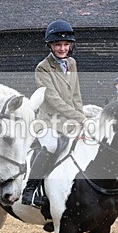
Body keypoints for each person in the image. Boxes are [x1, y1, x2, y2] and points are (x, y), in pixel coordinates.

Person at [21, 19, 86, 208]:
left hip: (70, 120)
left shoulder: (71, 63)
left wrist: (81, 119)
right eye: (58, 45)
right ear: (50, 45)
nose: (62, 48)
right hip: (49, 121)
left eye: (66, 44)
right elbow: (53, 99)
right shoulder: (42, 68)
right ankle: (30, 190)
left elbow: (76, 95)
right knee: (51, 146)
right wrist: (78, 116)